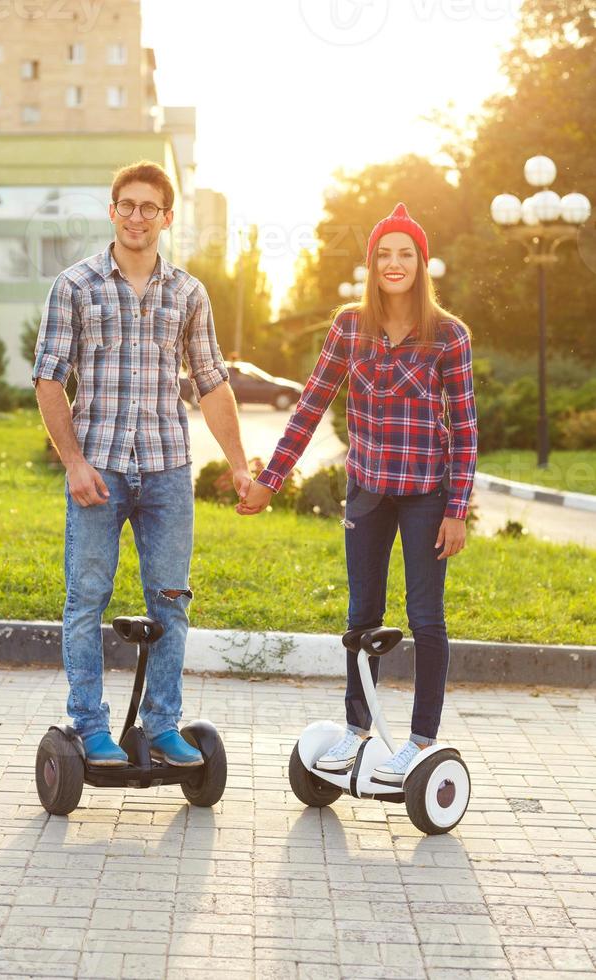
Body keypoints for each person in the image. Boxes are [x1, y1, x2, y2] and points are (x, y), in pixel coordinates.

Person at [238, 203, 478, 783]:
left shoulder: (448, 334)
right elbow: (310, 406)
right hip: (367, 491)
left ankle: (421, 742)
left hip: (427, 494)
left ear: (422, 264)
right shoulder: (349, 325)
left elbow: (466, 428)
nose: (394, 264)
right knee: (361, 613)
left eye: (406, 254)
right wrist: (271, 479)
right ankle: (356, 730)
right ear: (371, 264)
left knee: (425, 617)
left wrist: (457, 509)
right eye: (383, 255)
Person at [33, 160, 251, 767]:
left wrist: (236, 465)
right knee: (87, 599)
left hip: (166, 472)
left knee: (171, 600)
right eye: (126, 205)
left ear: (166, 217)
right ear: (112, 211)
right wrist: (73, 462)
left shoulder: (188, 293)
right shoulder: (74, 287)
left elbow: (211, 382)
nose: (136, 216)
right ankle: (90, 726)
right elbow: (48, 380)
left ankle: (161, 725)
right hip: (97, 469)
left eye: (148, 207)